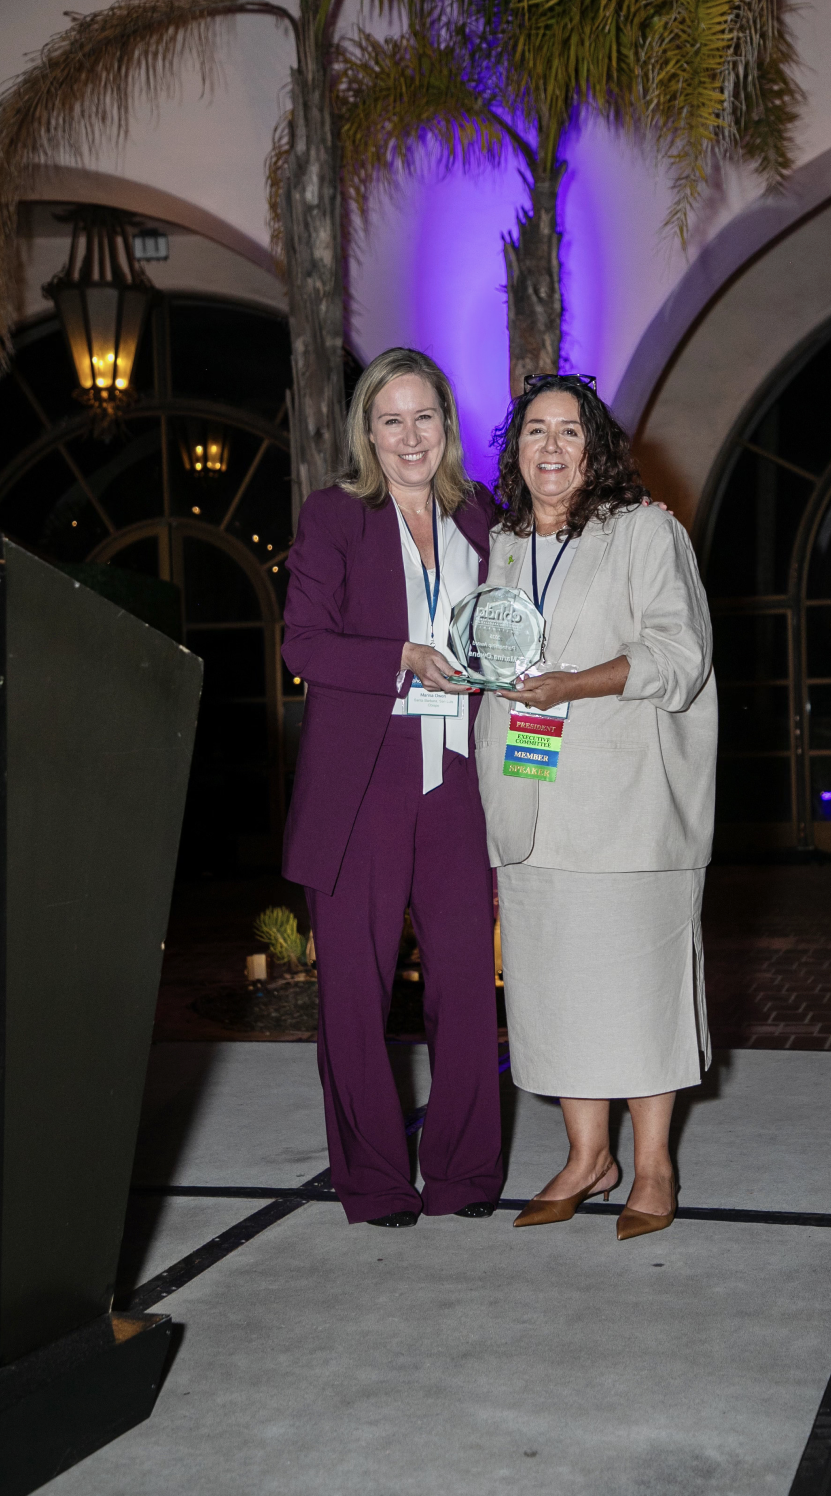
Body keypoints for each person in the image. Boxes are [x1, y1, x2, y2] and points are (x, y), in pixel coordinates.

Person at [476, 373, 717, 1241]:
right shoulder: (503, 541)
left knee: (639, 988)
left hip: (628, 805)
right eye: (534, 431)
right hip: (530, 795)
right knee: (554, 987)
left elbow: (678, 654)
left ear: (597, 449)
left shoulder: (644, 532)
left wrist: (576, 683)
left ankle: (652, 1165)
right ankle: (587, 1156)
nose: (549, 446)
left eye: (568, 432)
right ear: (515, 451)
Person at [281, 348, 503, 1227]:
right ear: (367, 432)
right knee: (354, 990)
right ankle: (373, 1182)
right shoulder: (336, 516)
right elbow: (302, 645)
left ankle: (462, 1173)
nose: (410, 437)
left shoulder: (479, 516)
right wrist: (401, 659)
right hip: (361, 780)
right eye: (391, 420)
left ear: (446, 425)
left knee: (462, 982)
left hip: (458, 779)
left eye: (425, 418)